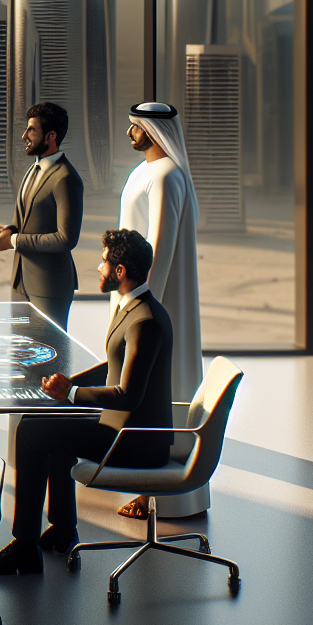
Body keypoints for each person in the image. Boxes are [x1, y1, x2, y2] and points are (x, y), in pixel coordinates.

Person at [0, 230, 173, 576]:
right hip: (123, 427)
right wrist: (69, 386)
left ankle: (25, 548)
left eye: (105, 262)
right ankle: (63, 530)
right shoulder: (137, 308)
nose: (98, 267)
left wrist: (72, 394)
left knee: (31, 435)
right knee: (46, 424)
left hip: (132, 441)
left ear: (120, 271)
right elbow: (116, 366)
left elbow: (129, 394)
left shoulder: (145, 322)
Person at [118, 101, 207, 520]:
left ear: (152, 131)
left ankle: (161, 494)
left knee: (157, 392)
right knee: (144, 392)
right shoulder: (147, 172)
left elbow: (160, 248)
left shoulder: (168, 176)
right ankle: (143, 484)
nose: (130, 133)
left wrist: (139, 304)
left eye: (135, 127)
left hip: (156, 304)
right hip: (138, 298)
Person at [0, 102, 84, 329]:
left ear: (51, 136)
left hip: (49, 288)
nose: (24, 136)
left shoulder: (66, 178)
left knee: (50, 357)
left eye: (32, 130)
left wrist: (12, 241)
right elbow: (24, 220)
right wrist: (8, 231)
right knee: (21, 354)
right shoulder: (33, 170)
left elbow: (66, 239)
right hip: (20, 284)